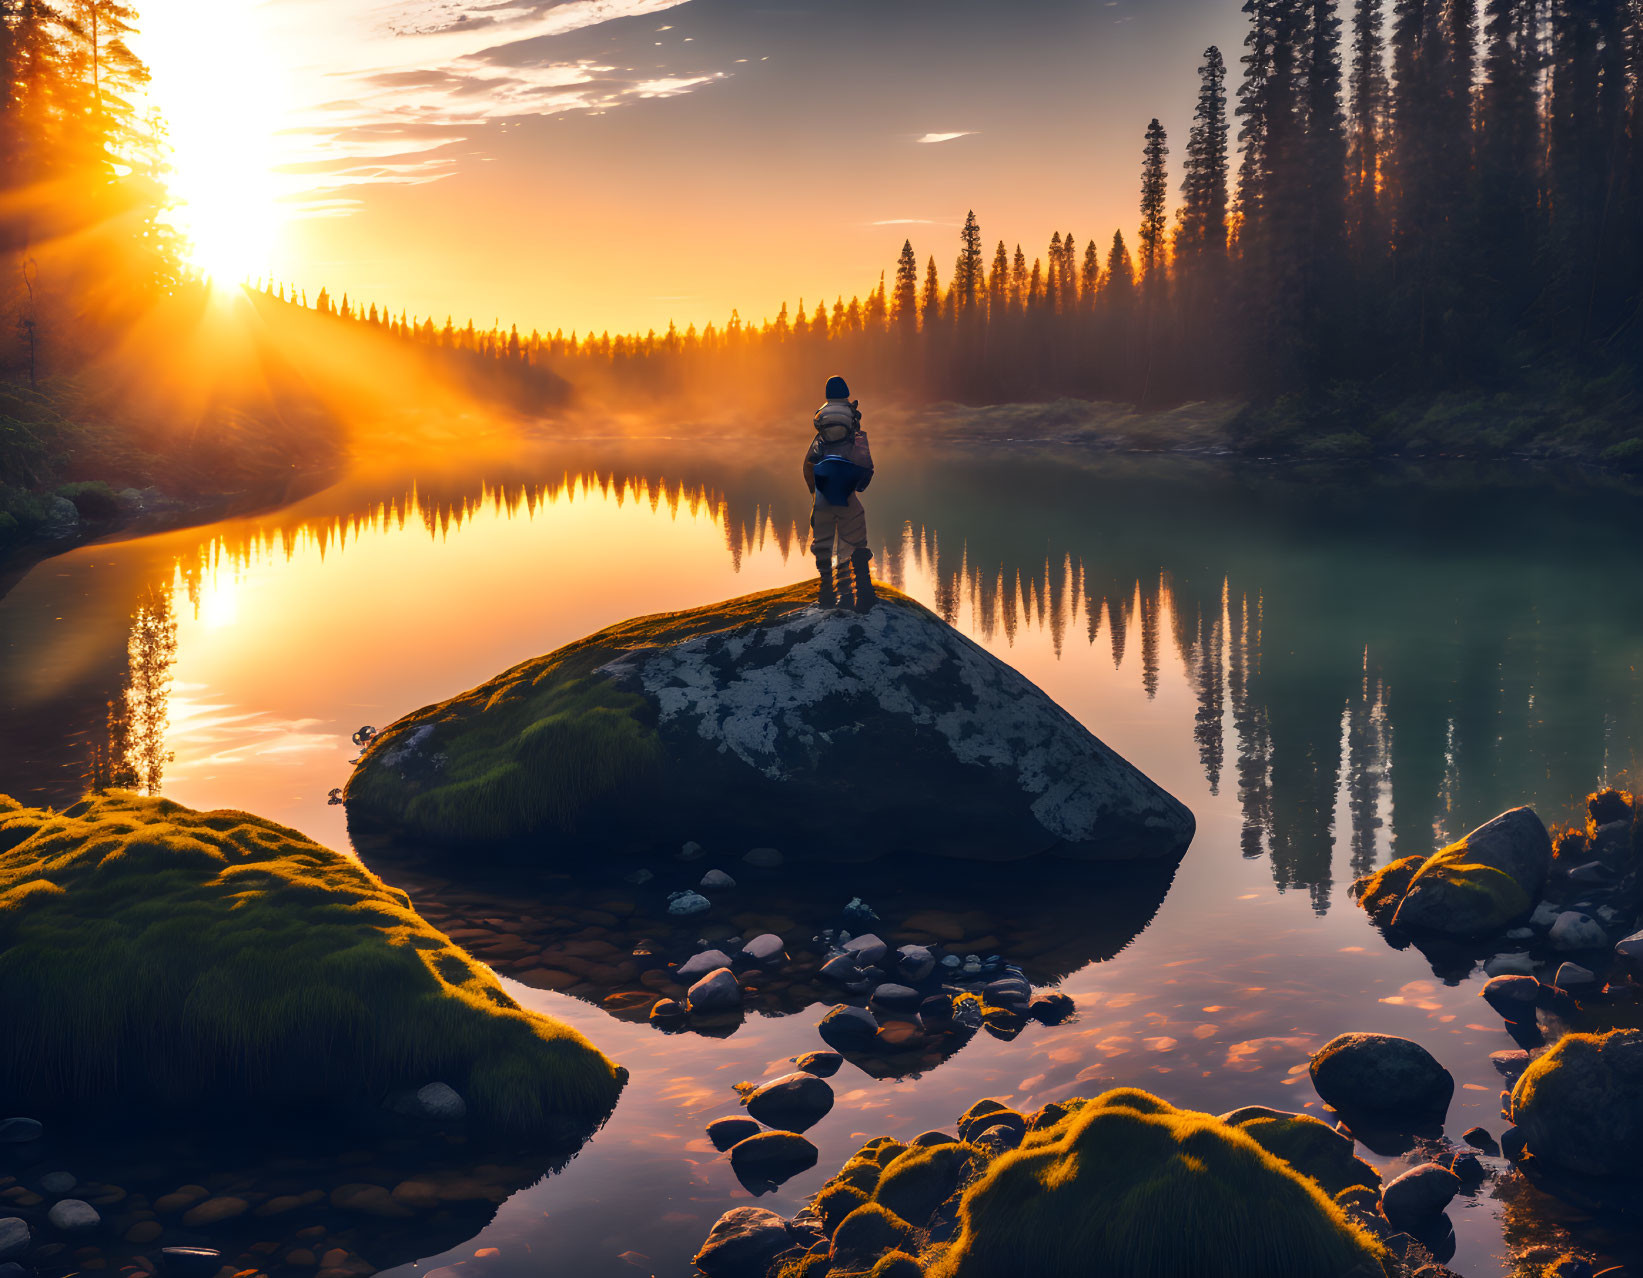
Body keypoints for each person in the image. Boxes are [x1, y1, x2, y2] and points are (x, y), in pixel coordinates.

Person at [804, 374, 876, 610]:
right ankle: (861, 595)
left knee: (822, 544)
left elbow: (807, 467)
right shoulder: (854, 434)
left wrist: (815, 494)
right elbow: (865, 464)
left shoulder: (819, 439)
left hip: (823, 492)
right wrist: (858, 484)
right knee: (855, 540)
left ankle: (826, 594)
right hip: (846, 493)